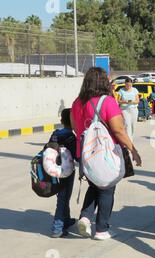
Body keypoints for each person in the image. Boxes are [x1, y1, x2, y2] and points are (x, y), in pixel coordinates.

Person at [71, 67, 142, 241]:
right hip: (105, 154)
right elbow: (118, 130)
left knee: (95, 186)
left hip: (84, 154)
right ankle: (102, 229)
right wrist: (133, 150)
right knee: (107, 189)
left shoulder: (77, 102)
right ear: (103, 81)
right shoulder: (108, 102)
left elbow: (75, 128)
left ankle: (86, 218)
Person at [49, 109, 77, 238]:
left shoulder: (55, 134)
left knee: (63, 196)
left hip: (53, 171)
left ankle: (66, 219)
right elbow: (76, 156)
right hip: (66, 173)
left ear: (61, 121)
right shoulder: (71, 137)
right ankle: (57, 228)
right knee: (63, 198)